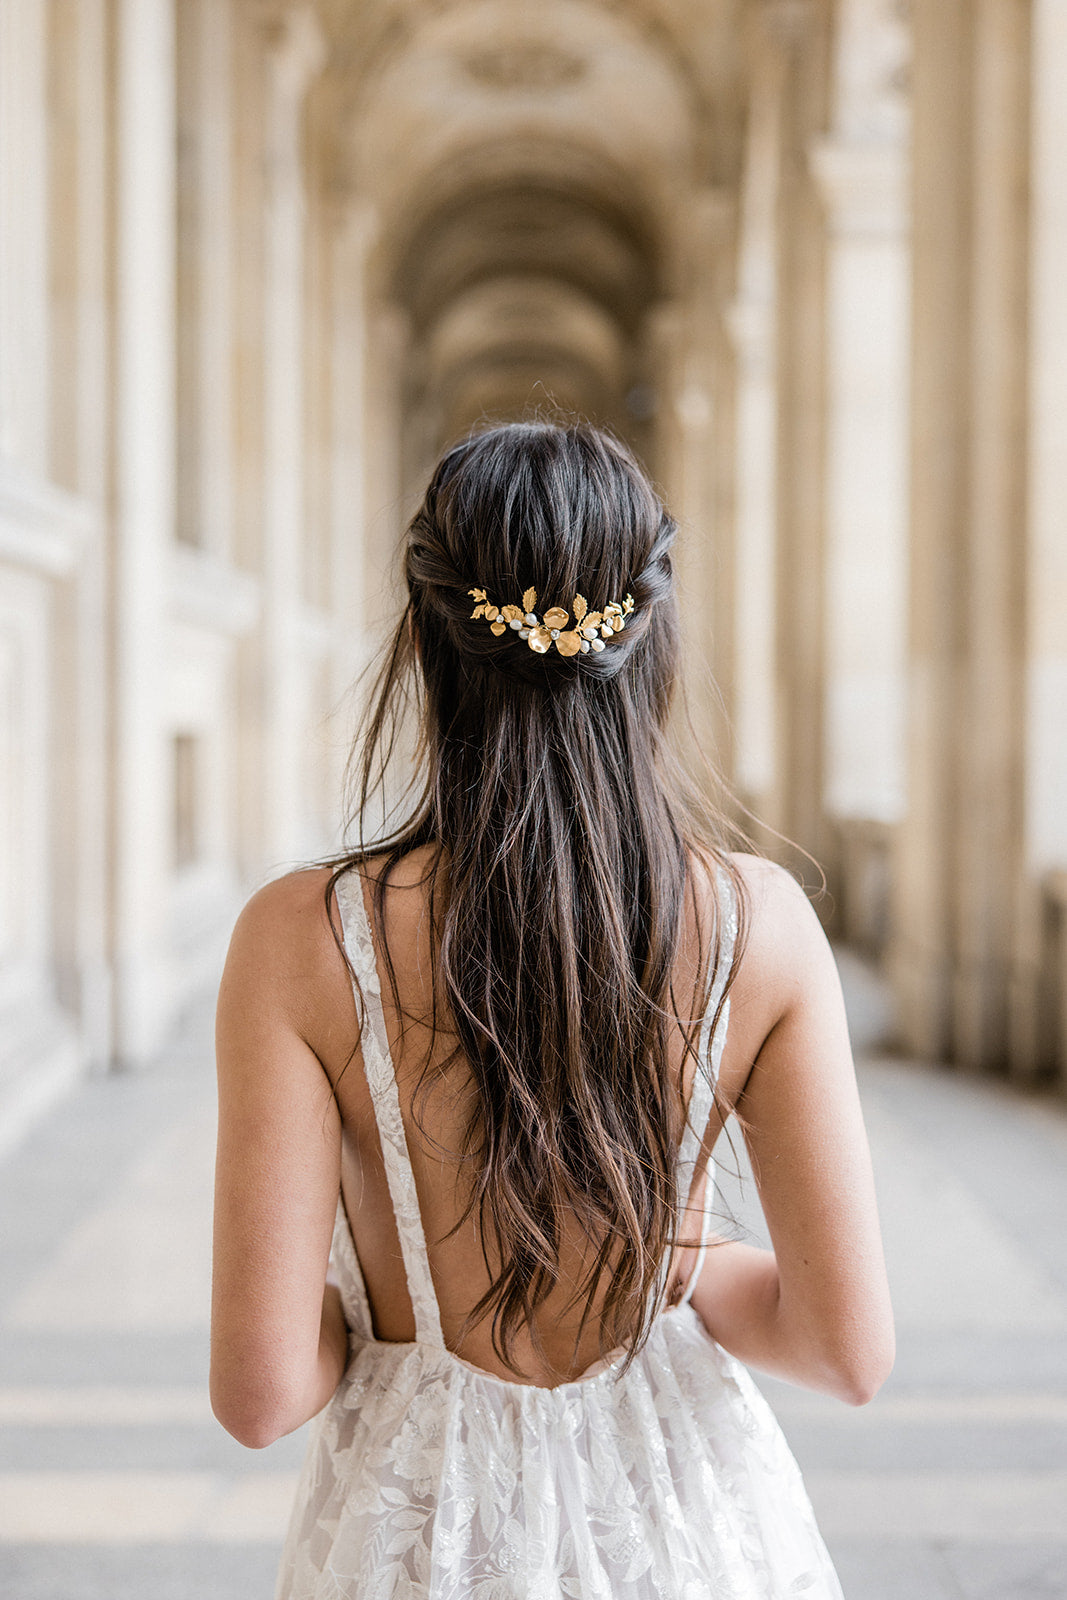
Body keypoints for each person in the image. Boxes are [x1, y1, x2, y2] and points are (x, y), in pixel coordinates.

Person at [211, 420, 894, 1599]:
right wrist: (681, 1257)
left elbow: (261, 1392)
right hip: (685, 1527)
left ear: (423, 646)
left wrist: (381, 1283)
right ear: (651, 640)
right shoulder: (759, 924)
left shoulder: (302, 939)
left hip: (420, 1533)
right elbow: (844, 1350)